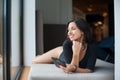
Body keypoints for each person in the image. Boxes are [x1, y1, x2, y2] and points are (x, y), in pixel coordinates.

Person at [32, 18, 98, 73]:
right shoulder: (67, 44)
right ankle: (41, 56)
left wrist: (73, 68)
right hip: (59, 52)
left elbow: (89, 70)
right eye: (68, 30)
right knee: (35, 61)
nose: (69, 32)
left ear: (82, 31)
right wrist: (76, 53)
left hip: (65, 56)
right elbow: (71, 67)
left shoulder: (92, 46)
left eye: (73, 29)